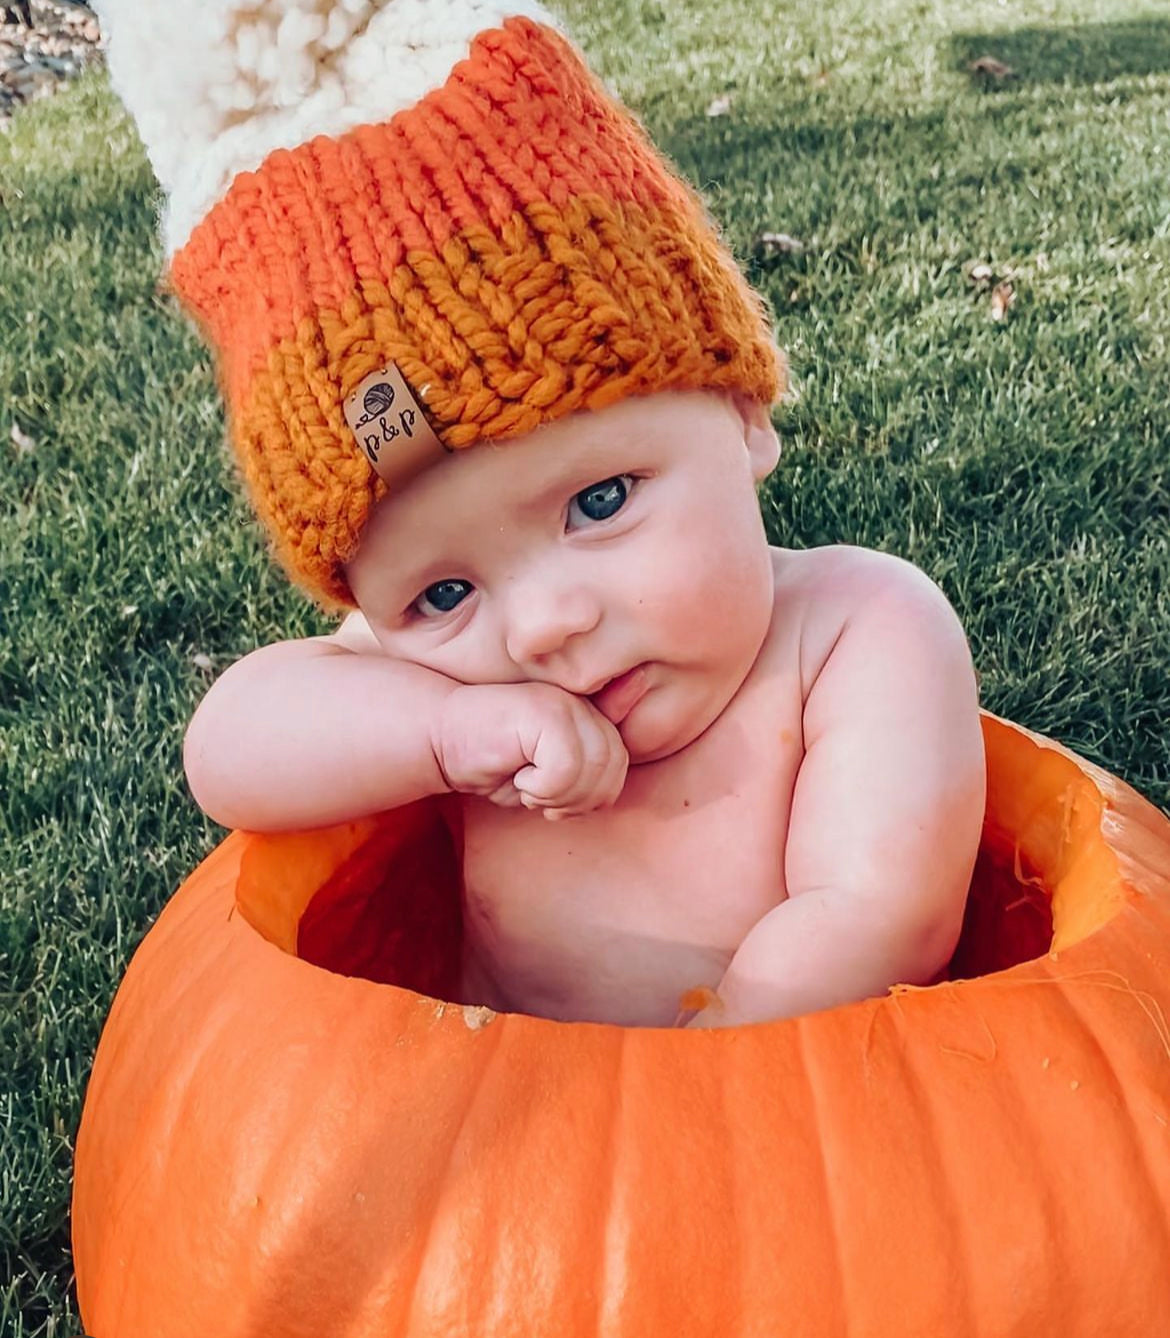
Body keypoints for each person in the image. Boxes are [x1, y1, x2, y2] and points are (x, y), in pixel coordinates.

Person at [97, 0, 985, 1028]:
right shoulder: (450, 694)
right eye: (443, 593)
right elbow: (227, 753)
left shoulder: (854, 634)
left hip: (771, 1122)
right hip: (505, 1137)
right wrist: (443, 730)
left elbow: (878, 914)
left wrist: (700, 1087)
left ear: (742, 414)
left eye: (598, 503)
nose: (541, 626)